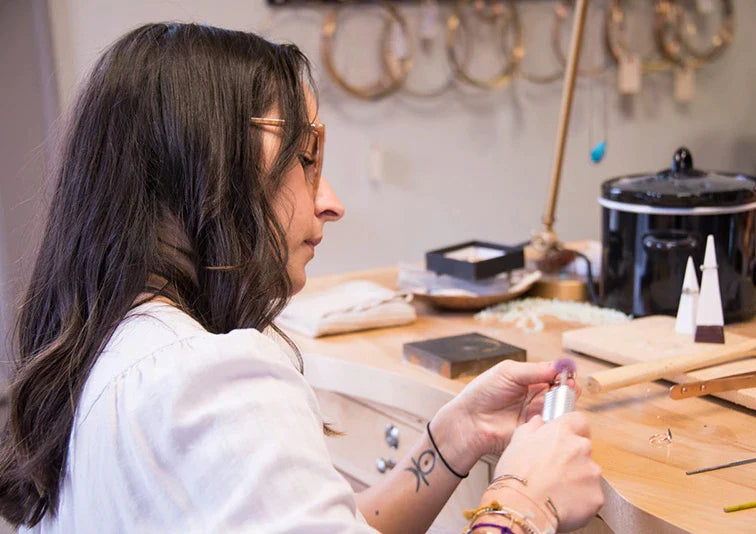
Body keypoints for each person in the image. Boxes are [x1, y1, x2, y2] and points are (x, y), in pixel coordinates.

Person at [0, 23, 603, 533]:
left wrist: (449, 441)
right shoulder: (206, 382)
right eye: (305, 158)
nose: (332, 202)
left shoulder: (104, 353)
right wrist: (525, 500)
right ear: (204, 166)